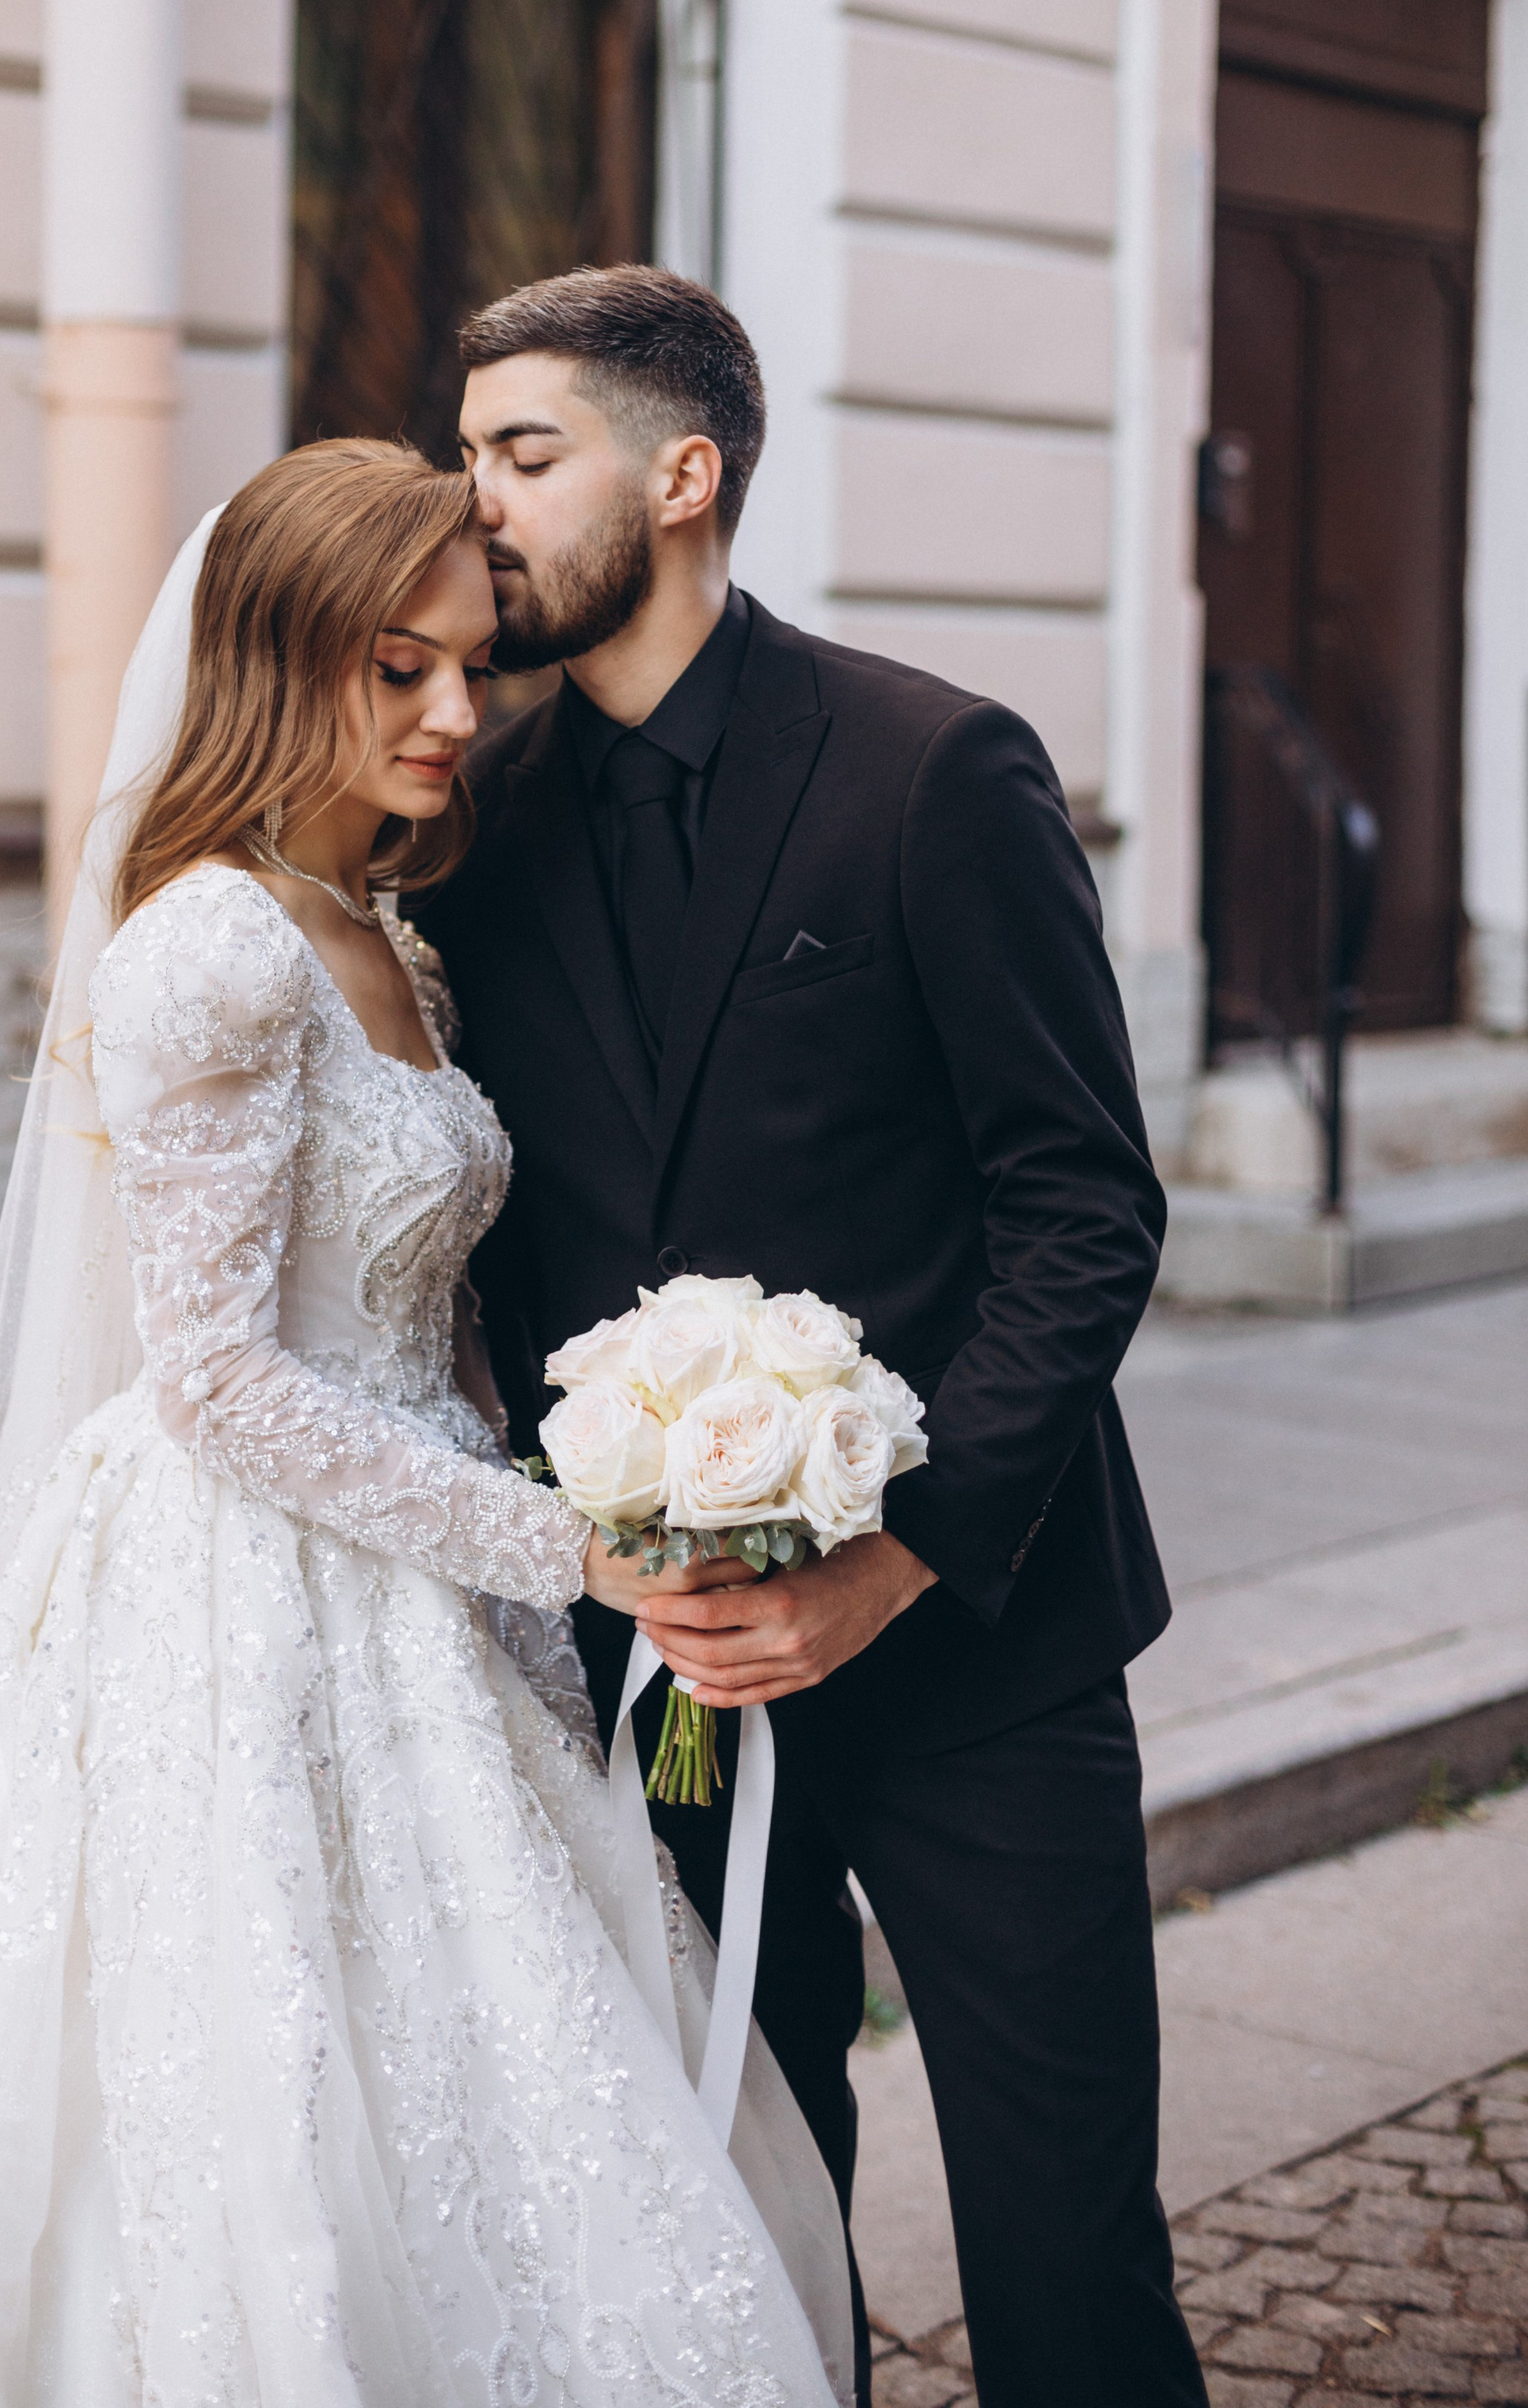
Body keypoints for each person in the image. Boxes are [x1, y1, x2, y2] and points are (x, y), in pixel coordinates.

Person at [0, 442, 854, 2407]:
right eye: (391, 667)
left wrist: (623, 1447)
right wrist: (563, 1544)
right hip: (244, 1583)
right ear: (272, 657)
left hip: (427, 1571)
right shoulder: (217, 946)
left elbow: (418, 1312)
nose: (449, 712)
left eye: (469, 666)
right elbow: (222, 1381)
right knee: (232, 2087)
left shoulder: (388, 936)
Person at [414, 268, 1210, 2408]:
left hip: (981, 1656)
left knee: (1066, 2248)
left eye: (523, 453)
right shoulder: (468, 826)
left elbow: (1084, 1205)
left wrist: (893, 1552)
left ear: (682, 476)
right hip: (671, 1679)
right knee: (737, 2214)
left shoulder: (931, 768)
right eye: (467, 451)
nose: (472, 498)